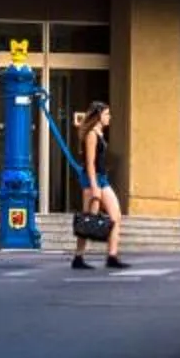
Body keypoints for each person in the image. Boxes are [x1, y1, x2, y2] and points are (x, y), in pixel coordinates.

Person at [71, 101, 126, 270]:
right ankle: (78, 257)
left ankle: (112, 256)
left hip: (103, 179)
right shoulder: (92, 135)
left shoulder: (100, 133)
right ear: (99, 115)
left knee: (116, 215)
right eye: (107, 114)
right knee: (88, 220)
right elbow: (90, 163)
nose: (110, 117)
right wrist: (94, 187)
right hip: (92, 180)